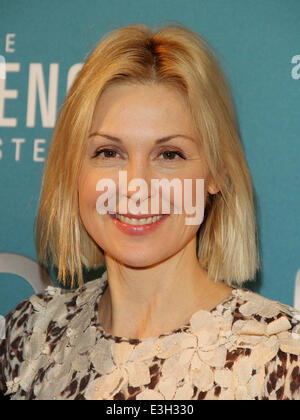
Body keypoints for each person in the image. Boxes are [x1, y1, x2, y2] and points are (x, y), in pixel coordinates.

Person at [1, 22, 300, 401]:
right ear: (73, 170)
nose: (135, 186)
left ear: (217, 174)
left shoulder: (282, 357)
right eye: (109, 153)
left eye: (169, 155)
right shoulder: (28, 338)